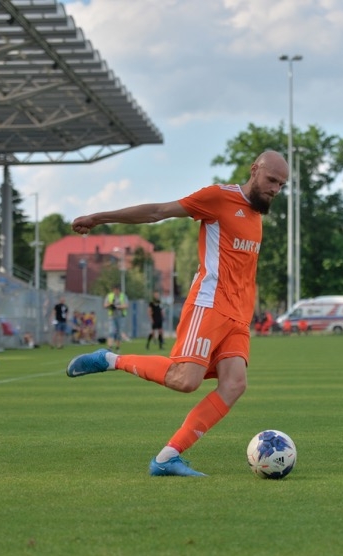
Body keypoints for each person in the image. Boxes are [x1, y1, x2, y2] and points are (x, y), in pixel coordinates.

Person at [66, 150, 289, 477]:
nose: (276, 189)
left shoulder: (256, 216)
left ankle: (167, 458)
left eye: (282, 185)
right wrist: (99, 218)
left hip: (238, 317)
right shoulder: (217, 197)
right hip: (210, 304)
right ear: (254, 170)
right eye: (272, 180)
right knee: (185, 381)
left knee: (234, 384)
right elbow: (158, 212)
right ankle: (110, 359)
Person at [104, 284, 129, 350]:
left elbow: (126, 305)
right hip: (112, 316)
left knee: (119, 332)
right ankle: (110, 347)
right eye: (115, 289)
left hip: (120, 316)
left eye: (117, 289)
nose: (116, 291)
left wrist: (118, 307)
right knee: (111, 331)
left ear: (119, 290)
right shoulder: (109, 296)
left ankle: (118, 347)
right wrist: (110, 304)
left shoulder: (123, 296)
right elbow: (105, 305)